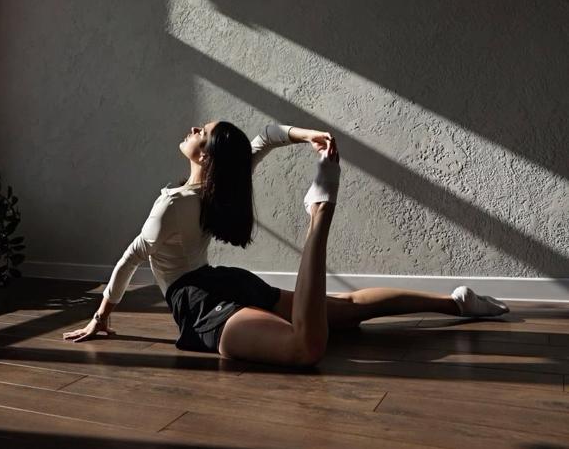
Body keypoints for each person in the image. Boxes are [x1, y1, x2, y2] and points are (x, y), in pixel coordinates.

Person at [63, 122, 510, 367]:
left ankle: (319, 215)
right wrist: (307, 135)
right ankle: (456, 303)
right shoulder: (225, 183)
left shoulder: (172, 204)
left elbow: (131, 257)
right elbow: (265, 137)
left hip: (198, 301)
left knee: (305, 347)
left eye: (200, 131)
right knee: (347, 309)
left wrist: (101, 316)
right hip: (226, 282)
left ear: (203, 156)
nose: (193, 127)